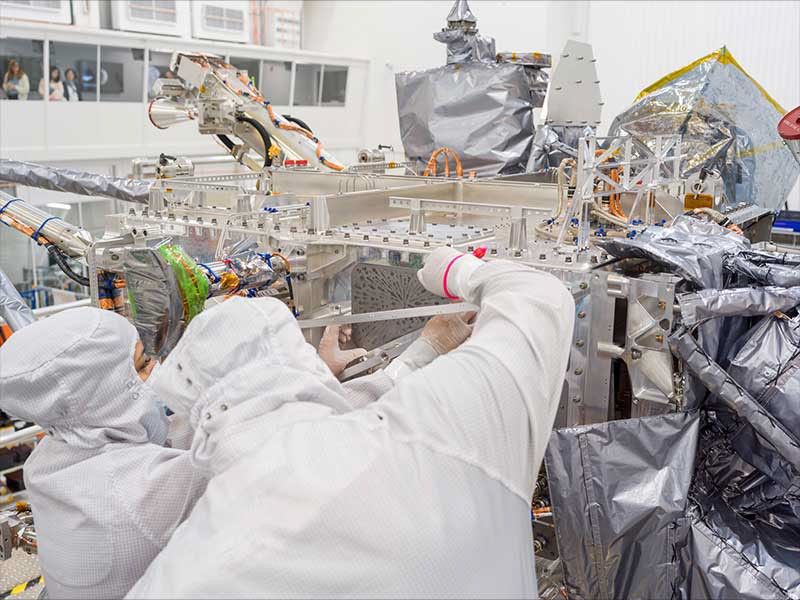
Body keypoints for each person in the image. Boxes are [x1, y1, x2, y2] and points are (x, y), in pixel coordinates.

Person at [128, 247, 575, 597]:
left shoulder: (186, 569)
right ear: (299, 361)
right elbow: (543, 299)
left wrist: (422, 352)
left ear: (195, 410)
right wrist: (456, 271)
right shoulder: (436, 431)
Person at [0, 307, 207, 599]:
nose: (157, 367)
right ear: (105, 391)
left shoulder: (47, 458)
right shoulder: (136, 491)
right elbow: (235, 453)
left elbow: (159, 439)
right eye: (143, 363)